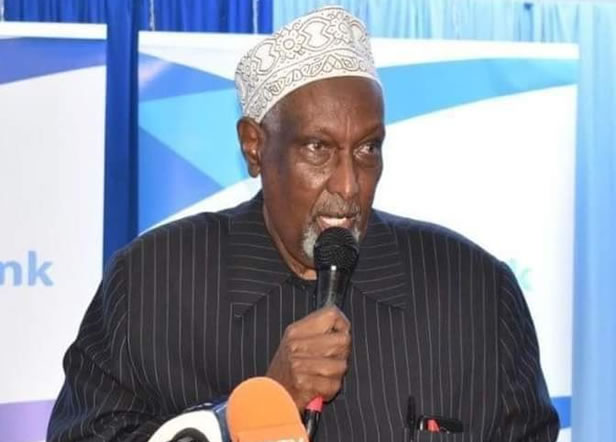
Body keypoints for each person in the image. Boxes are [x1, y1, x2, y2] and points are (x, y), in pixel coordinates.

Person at [47, 6, 559, 441]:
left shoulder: (477, 291)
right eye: (318, 148)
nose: (349, 185)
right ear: (254, 146)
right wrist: (252, 412)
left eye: (367, 149)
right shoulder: (152, 282)